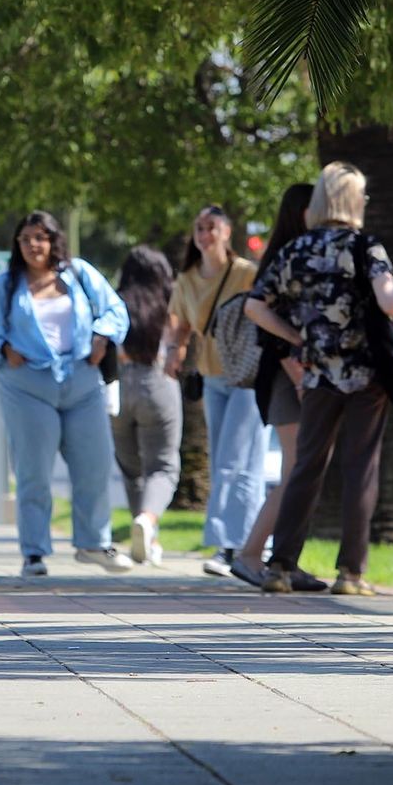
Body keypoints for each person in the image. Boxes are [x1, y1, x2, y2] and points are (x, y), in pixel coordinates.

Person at [246, 162, 393, 596]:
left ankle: (279, 567)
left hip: (316, 375)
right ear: (354, 200)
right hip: (364, 376)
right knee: (360, 469)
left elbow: (255, 307)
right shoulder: (366, 247)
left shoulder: (294, 251)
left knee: (305, 468)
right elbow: (390, 304)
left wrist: (297, 336)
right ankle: (350, 574)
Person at [0, 211, 133, 578]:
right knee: (34, 471)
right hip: (26, 386)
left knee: (96, 463)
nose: (33, 245)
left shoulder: (80, 274)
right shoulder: (7, 285)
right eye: (25, 239)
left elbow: (116, 309)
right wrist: (1, 348)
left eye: (41, 237)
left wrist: (102, 335)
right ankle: (34, 552)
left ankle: (92, 543)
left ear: (55, 240)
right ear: (17, 245)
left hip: (83, 382)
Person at [229, 183, 327, 593]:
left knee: (303, 469)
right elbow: (269, 328)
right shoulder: (289, 258)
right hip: (287, 377)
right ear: (301, 211)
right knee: (297, 469)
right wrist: (299, 372)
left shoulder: (295, 253)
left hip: (294, 376)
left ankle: (285, 560)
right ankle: (254, 554)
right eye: (316, 206)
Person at [164, 205, 264, 577]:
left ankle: (228, 546)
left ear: (227, 231)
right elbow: (179, 324)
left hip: (247, 375)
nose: (204, 234)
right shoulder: (188, 278)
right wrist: (174, 353)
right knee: (235, 461)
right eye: (199, 228)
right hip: (211, 374)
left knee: (233, 460)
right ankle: (252, 545)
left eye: (211, 227)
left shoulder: (246, 274)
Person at [109, 245, 181, 565]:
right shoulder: (168, 302)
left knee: (130, 468)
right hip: (157, 382)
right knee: (163, 466)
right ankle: (147, 521)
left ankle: (148, 536)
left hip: (119, 388)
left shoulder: (114, 302)